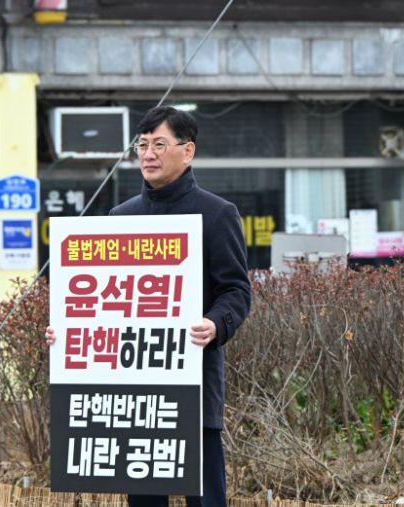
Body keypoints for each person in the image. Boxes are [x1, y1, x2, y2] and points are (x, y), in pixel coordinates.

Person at [46, 106, 251, 506]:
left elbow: (236, 290)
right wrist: (68, 332)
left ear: (187, 151)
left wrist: (215, 323)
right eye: (142, 145)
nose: (148, 154)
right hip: (133, 395)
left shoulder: (216, 214)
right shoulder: (121, 217)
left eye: (159, 144)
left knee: (205, 499)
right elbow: (104, 302)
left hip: (192, 384)